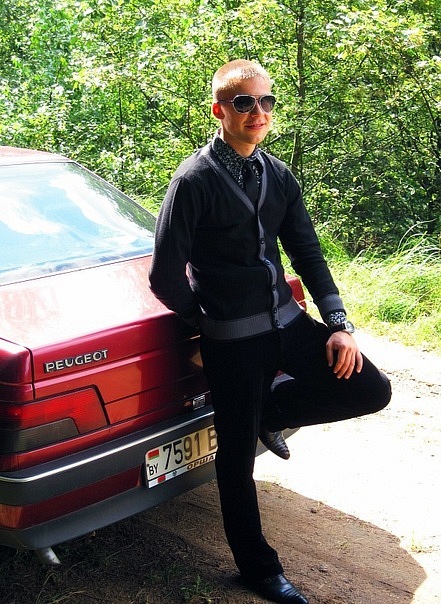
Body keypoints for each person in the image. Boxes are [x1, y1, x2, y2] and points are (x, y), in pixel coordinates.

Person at [149, 59, 391, 604]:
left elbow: (307, 250)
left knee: (370, 389)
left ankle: (272, 413)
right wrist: (207, 322)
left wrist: (338, 324)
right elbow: (165, 275)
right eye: (244, 103)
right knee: (236, 461)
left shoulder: (277, 174)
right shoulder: (193, 181)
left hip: (288, 324)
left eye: (266, 102)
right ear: (220, 111)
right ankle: (259, 570)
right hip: (233, 342)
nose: (257, 112)